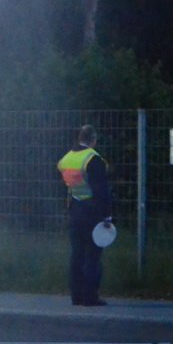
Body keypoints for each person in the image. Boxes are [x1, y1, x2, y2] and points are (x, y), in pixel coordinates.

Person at [57, 124, 113, 306]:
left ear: (79, 138)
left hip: (74, 210)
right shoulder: (93, 159)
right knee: (93, 255)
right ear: (93, 140)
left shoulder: (66, 159)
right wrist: (107, 215)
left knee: (77, 254)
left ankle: (76, 295)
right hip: (92, 212)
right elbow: (101, 190)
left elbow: (66, 187)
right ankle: (90, 296)